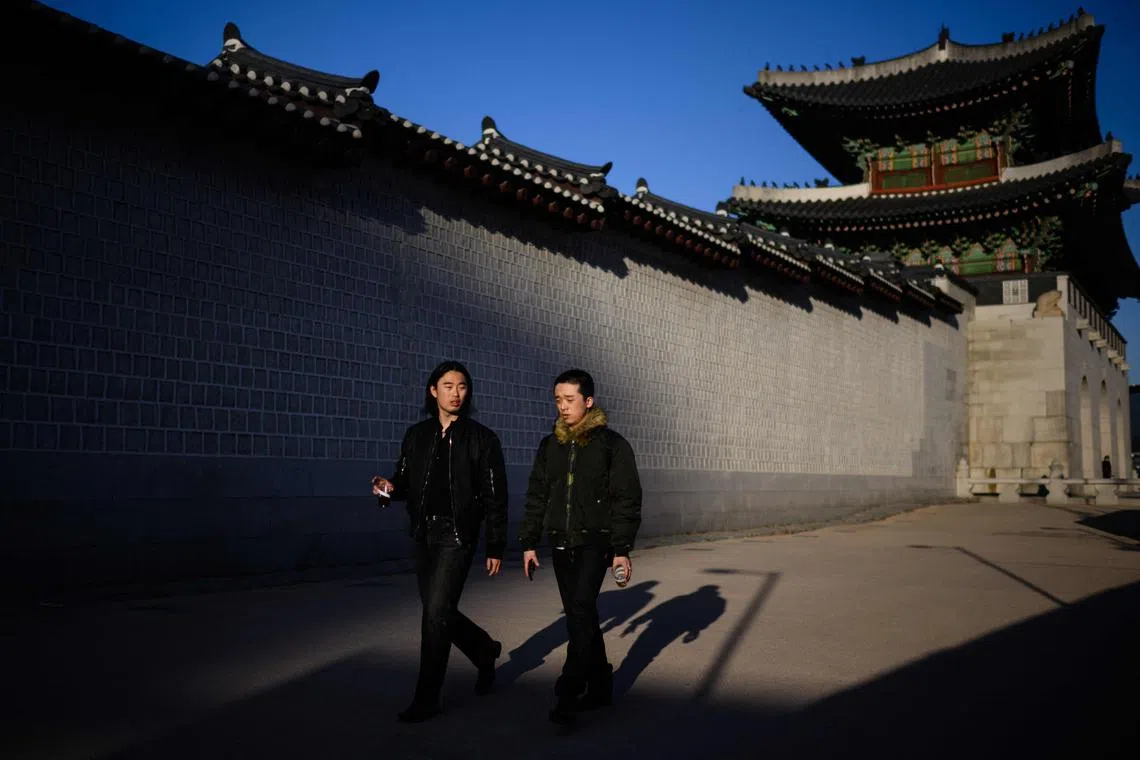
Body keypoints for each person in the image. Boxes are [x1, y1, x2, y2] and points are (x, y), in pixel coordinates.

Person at [370, 360, 508, 723]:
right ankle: (483, 650)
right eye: (448, 386)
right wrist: (387, 489)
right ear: (434, 391)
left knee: (434, 615)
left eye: (462, 386)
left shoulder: (482, 439)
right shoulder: (417, 435)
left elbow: (496, 496)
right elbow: (403, 481)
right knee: (440, 611)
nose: (456, 393)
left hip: (457, 536)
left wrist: (495, 546)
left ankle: (426, 698)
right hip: (424, 533)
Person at [519, 369, 642, 725]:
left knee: (581, 610)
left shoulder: (611, 446)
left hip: (595, 543)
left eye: (569, 400)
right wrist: (528, 542)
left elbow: (626, 499)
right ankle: (601, 684)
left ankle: (568, 691)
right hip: (560, 542)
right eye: (557, 400)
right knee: (580, 616)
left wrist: (621, 548)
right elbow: (537, 496)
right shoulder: (550, 446)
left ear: (588, 401)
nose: (562, 407)